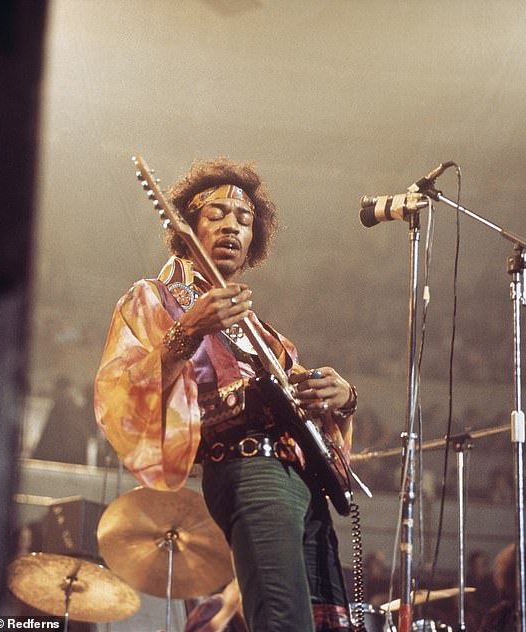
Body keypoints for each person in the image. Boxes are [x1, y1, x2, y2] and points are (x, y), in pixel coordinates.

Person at [94, 157, 357, 631]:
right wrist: (188, 330)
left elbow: (314, 423)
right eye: (215, 215)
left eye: (244, 218)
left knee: (317, 620)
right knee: (284, 619)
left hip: (303, 481)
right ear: (187, 227)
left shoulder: (266, 334)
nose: (231, 225)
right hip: (248, 466)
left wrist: (340, 398)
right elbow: (122, 394)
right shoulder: (154, 299)